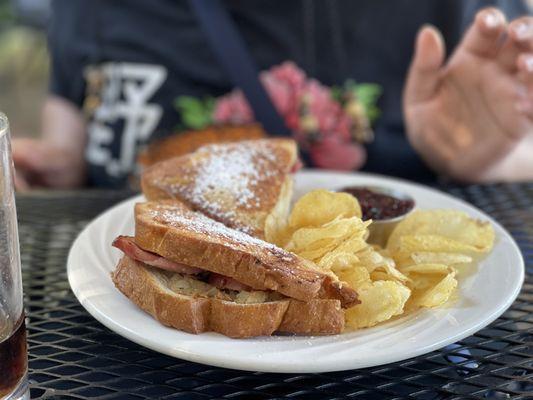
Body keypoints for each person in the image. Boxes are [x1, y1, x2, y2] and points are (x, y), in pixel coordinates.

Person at [12, 0, 533, 189]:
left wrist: (491, 159)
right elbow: (73, 133)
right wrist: (56, 169)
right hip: (123, 349)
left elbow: (524, 147)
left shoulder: (457, 10)